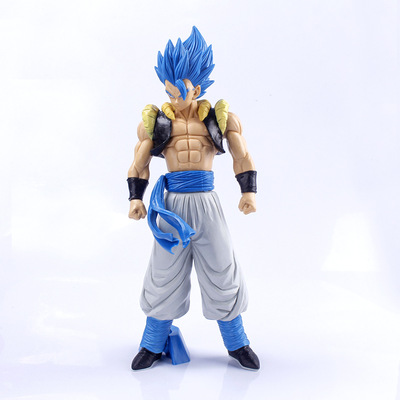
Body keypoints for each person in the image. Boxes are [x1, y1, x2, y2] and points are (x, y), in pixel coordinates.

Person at [127, 26, 259, 371]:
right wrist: (135, 198)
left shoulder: (220, 119)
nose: (173, 98)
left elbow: (242, 154)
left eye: (180, 91)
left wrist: (248, 191)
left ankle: (237, 342)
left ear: (196, 89)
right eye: (168, 91)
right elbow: (139, 162)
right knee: (163, 273)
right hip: (171, 205)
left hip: (206, 203)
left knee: (222, 268)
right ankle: (152, 342)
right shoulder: (156, 122)